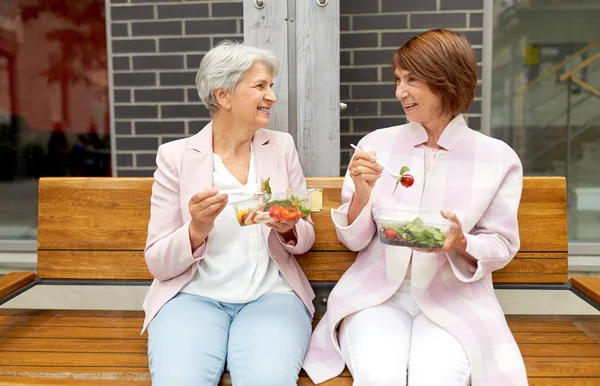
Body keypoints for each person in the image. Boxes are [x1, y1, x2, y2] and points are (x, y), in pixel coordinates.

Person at [303, 29, 528, 386]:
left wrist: (460, 242)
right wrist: (362, 193)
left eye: (412, 79)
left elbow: (501, 243)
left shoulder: (496, 157)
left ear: (447, 80)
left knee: (435, 379)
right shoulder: (376, 145)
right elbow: (354, 240)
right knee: (380, 378)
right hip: (375, 296)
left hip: (455, 299)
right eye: (397, 79)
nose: (399, 91)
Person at [142, 41, 315, 386]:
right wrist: (197, 228)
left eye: (271, 86)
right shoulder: (175, 157)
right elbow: (158, 262)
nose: (272, 97)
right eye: (260, 86)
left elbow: (305, 239)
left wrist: (288, 229)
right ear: (224, 96)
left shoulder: (281, 147)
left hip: (272, 296)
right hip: (191, 297)